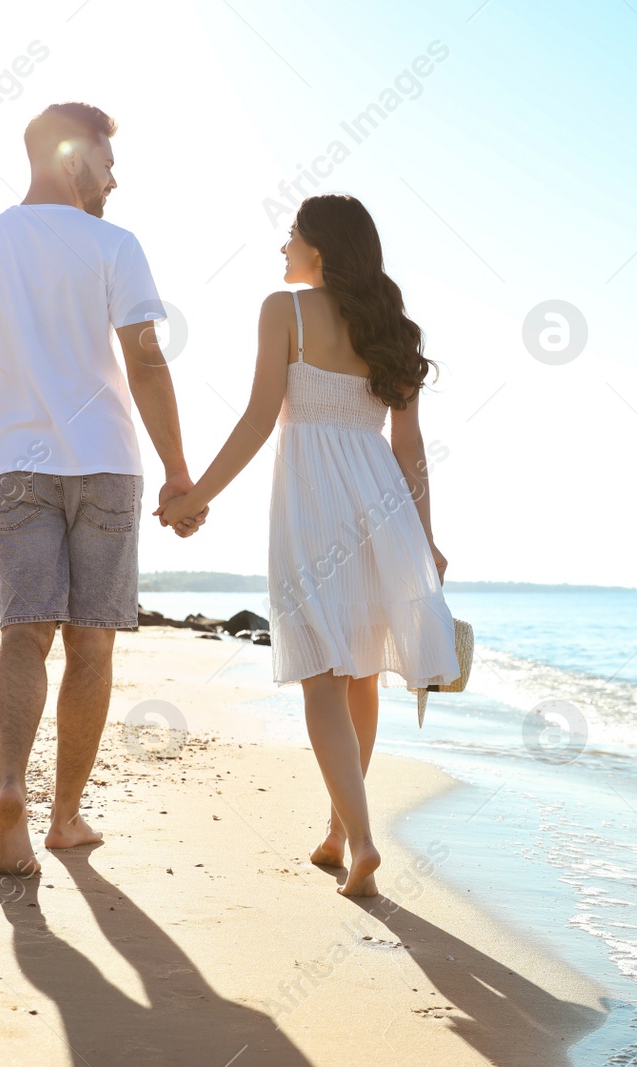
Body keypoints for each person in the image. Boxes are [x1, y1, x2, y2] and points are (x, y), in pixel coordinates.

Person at [155, 193, 458, 897]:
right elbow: (410, 450)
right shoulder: (389, 325)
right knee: (359, 675)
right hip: (381, 506)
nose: (281, 250)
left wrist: (196, 496)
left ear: (317, 250)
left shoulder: (282, 311)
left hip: (311, 505)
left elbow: (263, 416)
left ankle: (360, 840)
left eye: (289, 238)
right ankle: (337, 828)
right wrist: (427, 538)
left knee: (321, 675)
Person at [0, 102, 203, 876]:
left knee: (25, 634)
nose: (115, 179)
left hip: (17, 465)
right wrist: (180, 469)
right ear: (74, 157)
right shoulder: (115, 246)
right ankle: (65, 815)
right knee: (92, 643)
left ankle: (10, 787)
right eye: (108, 163)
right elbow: (147, 362)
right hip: (106, 463)